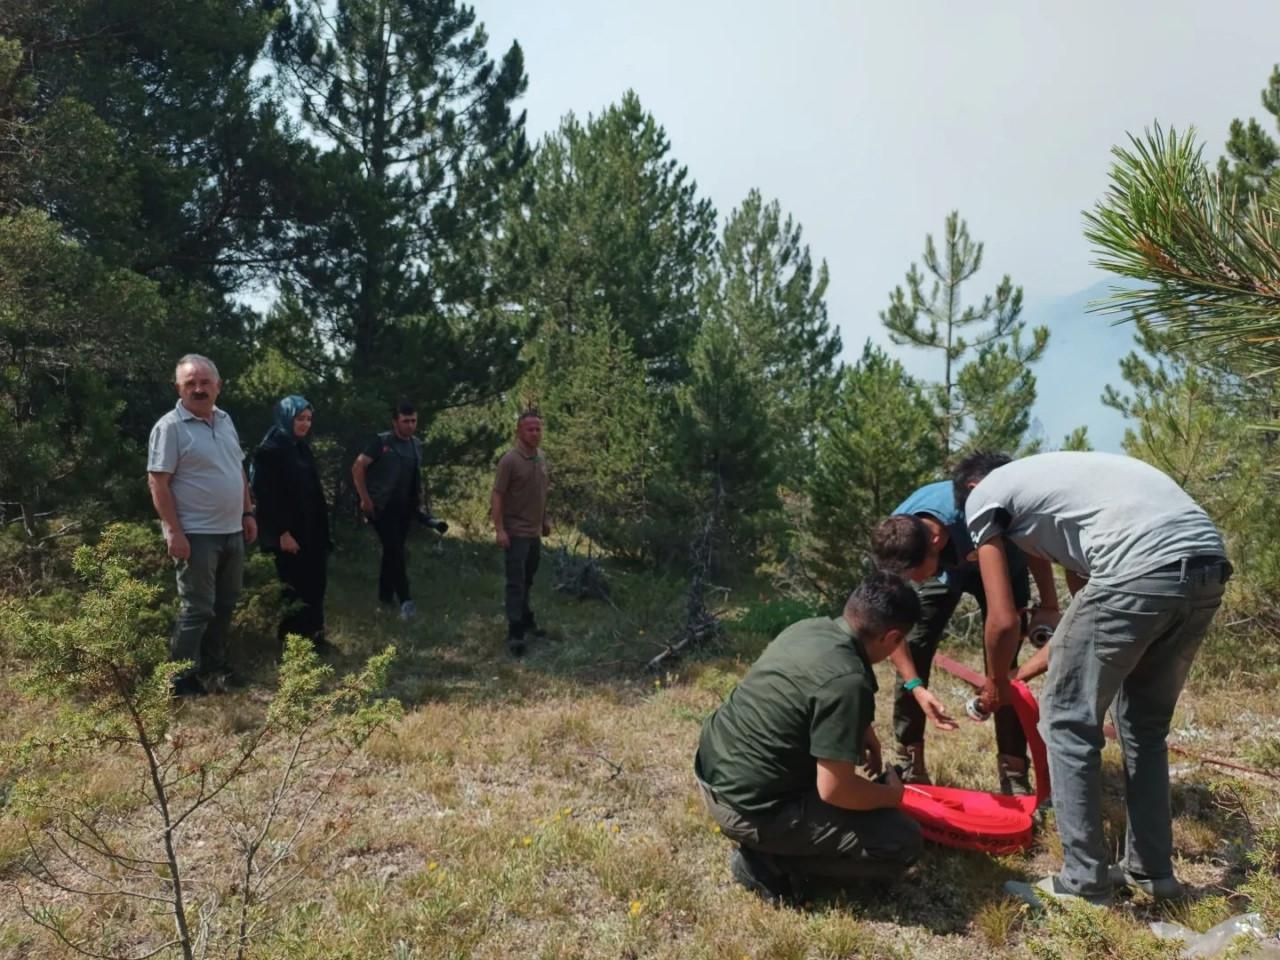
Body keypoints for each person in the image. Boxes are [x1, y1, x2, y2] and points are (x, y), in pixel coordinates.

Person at [957, 450, 1230, 905]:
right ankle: (1152, 874)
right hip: (1206, 565)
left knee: (1066, 720)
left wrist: (996, 682)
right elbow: (1090, 607)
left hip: (1140, 565)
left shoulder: (983, 494)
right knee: (1143, 727)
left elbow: (1003, 620)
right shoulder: (1062, 484)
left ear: (970, 489)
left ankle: (1083, 884)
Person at [694, 571, 925, 902]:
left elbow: (808, 695)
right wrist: (891, 795)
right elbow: (836, 790)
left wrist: (864, 730)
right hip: (749, 808)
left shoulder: (809, 628)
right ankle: (769, 863)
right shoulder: (847, 682)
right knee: (901, 840)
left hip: (715, 775)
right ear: (891, 637)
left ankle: (773, 845)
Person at [872, 465, 1058, 795]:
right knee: (915, 646)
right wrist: (915, 684)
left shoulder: (980, 506)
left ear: (936, 539)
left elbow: (1034, 547)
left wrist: (1049, 604)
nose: (914, 582)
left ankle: (1013, 771)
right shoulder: (899, 536)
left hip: (1005, 562)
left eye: (915, 574)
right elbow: (892, 623)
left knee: (1005, 659)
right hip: (947, 569)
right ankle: (910, 760)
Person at [147, 354, 257, 696]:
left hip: (232, 531)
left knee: (225, 604)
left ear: (218, 386)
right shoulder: (169, 428)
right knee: (197, 608)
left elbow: (236, 469)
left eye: (205, 382)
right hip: (196, 535)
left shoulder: (225, 420)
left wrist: (247, 513)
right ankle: (180, 678)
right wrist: (174, 532)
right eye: (190, 383)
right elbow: (158, 483)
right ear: (178, 388)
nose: (198, 389)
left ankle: (214, 668)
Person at [250, 395, 331, 651]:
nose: (305, 424)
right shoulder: (271, 449)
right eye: (300, 418)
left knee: (315, 583)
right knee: (294, 587)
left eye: (309, 419)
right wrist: (282, 533)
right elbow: (268, 496)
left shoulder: (300, 446)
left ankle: (314, 635)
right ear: (286, 417)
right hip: (288, 532)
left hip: (310, 529)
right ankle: (292, 641)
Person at [352, 401, 426, 620]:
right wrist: (365, 499)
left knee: (392, 551)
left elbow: (415, 476)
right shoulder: (381, 442)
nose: (410, 425)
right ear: (395, 422)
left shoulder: (415, 445)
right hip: (381, 508)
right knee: (396, 551)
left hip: (405, 509)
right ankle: (406, 601)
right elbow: (358, 467)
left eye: (413, 421)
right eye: (405, 421)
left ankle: (385, 597)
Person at [490, 410, 551, 657]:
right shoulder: (510, 460)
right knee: (515, 582)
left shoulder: (542, 458)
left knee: (528, 578)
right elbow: (497, 495)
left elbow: (542, 492)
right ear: (519, 431)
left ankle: (527, 620)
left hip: (534, 531)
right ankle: (515, 632)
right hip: (515, 532)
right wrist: (500, 529)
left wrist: (545, 519)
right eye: (529, 429)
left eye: (538, 429)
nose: (535, 433)